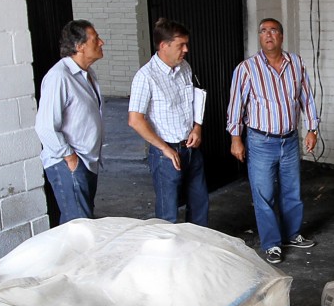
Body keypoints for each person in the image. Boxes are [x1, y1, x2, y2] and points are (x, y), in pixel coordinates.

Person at [227, 18, 320, 264]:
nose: (268, 35)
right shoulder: (247, 69)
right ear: (259, 37)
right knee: (264, 194)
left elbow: (306, 98)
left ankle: (292, 234)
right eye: (263, 31)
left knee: (292, 192)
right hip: (260, 142)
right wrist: (236, 138)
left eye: (273, 30)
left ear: (281, 36)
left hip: (288, 140)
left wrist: (312, 128)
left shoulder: (296, 63)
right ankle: (272, 244)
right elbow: (236, 106)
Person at [129, 18, 209, 226]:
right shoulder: (145, 77)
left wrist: (197, 128)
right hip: (165, 155)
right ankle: (169, 256)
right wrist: (164, 148)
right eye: (180, 45)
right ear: (164, 46)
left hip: (191, 148)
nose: (186, 50)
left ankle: (196, 251)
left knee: (200, 205)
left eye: (186, 44)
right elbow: (135, 120)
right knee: (168, 214)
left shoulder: (184, 68)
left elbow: (194, 101)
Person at [35, 19, 105, 224]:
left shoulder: (87, 74)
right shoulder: (59, 77)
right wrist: (71, 159)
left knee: (82, 224)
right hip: (70, 163)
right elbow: (45, 127)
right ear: (78, 46)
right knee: (79, 229)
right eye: (95, 39)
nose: (102, 42)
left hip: (86, 162)